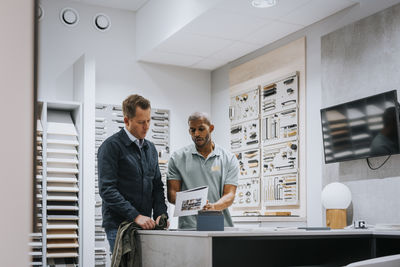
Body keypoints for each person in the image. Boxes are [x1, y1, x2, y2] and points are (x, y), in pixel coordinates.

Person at [98, 94, 168, 252]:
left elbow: (157, 186)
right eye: (141, 122)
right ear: (126, 120)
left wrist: (160, 213)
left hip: (145, 225)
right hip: (119, 226)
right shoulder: (111, 147)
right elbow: (107, 190)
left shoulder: (150, 149)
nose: (147, 126)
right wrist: (135, 215)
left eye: (149, 120)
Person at [167, 112, 239, 229]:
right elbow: (172, 195)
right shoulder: (177, 158)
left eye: (201, 129)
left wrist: (214, 207)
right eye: (192, 130)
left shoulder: (229, 158)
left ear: (211, 128)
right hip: (189, 228)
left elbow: (230, 194)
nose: (196, 134)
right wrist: (196, 203)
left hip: (222, 227)